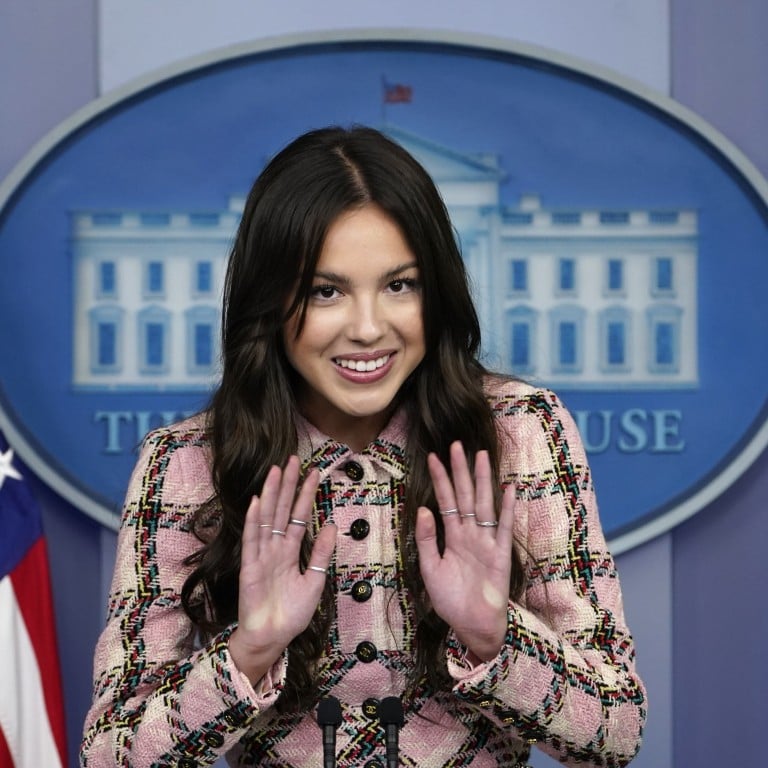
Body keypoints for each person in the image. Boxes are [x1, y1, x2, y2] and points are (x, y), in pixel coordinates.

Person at [80, 125, 646, 768]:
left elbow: (616, 733)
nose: (370, 328)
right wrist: (252, 648)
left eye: (400, 285)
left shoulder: (520, 430)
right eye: (327, 291)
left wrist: (495, 637)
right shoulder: (184, 464)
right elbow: (112, 756)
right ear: (270, 302)